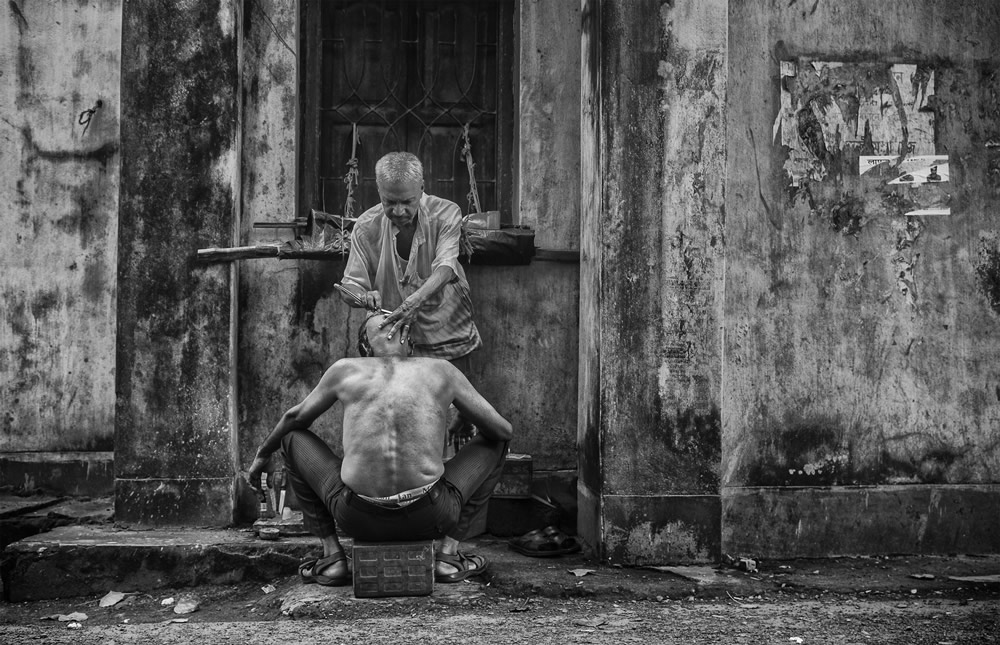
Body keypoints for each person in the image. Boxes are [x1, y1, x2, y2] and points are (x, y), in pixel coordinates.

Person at [247, 313, 512, 586]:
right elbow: (503, 431)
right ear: (409, 342)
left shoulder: (345, 369)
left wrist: (262, 455)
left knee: (291, 437)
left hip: (356, 517)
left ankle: (332, 557)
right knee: (498, 439)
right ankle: (448, 555)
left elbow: (294, 419)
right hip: (432, 515)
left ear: (365, 348)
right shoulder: (441, 370)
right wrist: (462, 418)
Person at [339, 153, 481, 458]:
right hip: (399, 335)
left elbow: (446, 266)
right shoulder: (366, 227)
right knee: (414, 416)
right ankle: (421, 483)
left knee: (462, 411)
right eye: (390, 202)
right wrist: (362, 297)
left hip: (448, 321)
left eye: (407, 201)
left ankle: (453, 479)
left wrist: (415, 300)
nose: (399, 210)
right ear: (378, 192)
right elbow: (349, 286)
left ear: (421, 189)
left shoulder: (446, 213)